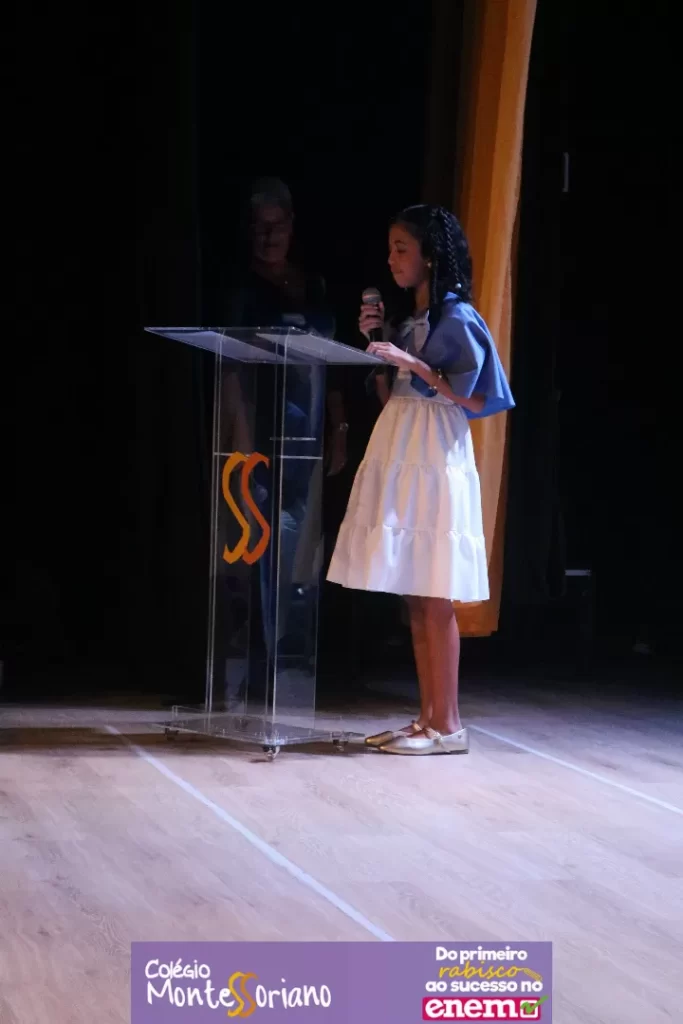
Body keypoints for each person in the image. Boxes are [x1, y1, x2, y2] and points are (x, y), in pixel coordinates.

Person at [326, 204, 514, 755]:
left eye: (401, 248)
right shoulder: (414, 318)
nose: (392, 259)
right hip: (403, 441)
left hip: (434, 451)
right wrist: (382, 347)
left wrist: (414, 363)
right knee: (415, 589)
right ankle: (426, 718)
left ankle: (448, 724)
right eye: (390, 249)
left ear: (430, 255)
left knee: (434, 589)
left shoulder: (458, 317)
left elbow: (476, 398)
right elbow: (399, 394)